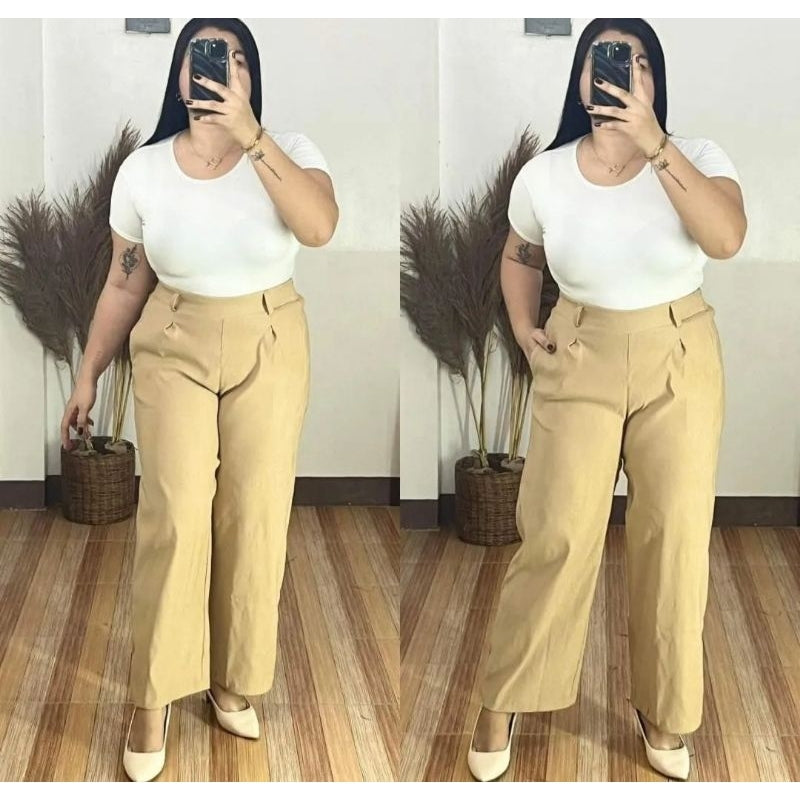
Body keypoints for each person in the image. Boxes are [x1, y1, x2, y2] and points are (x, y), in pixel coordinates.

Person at [467, 18, 746, 782]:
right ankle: (505, 698)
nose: (618, 73)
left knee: (674, 540)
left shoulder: (697, 158)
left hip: (677, 353)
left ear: (655, 78)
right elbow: (520, 255)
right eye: (604, 61)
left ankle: (665, 710)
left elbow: (725, 239)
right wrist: (523, 330)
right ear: (582, 80)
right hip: (580, 350)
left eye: (635, 61)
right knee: (556, 533)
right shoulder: (545, 175)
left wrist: (655, 143)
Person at [59, 18, 338, 782]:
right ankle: (153, 697)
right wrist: (88, 373)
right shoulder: (144, 170)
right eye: (204, 56)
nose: (217, 68)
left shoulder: (289, 151)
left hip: (269, 337)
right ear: (180, 73)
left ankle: (231, 680)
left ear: (251, 75)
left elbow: (319, 227)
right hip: (174, 337)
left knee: (254, 515)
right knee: (175, 516)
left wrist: (251, 135)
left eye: (234, 57)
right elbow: (125, 282)